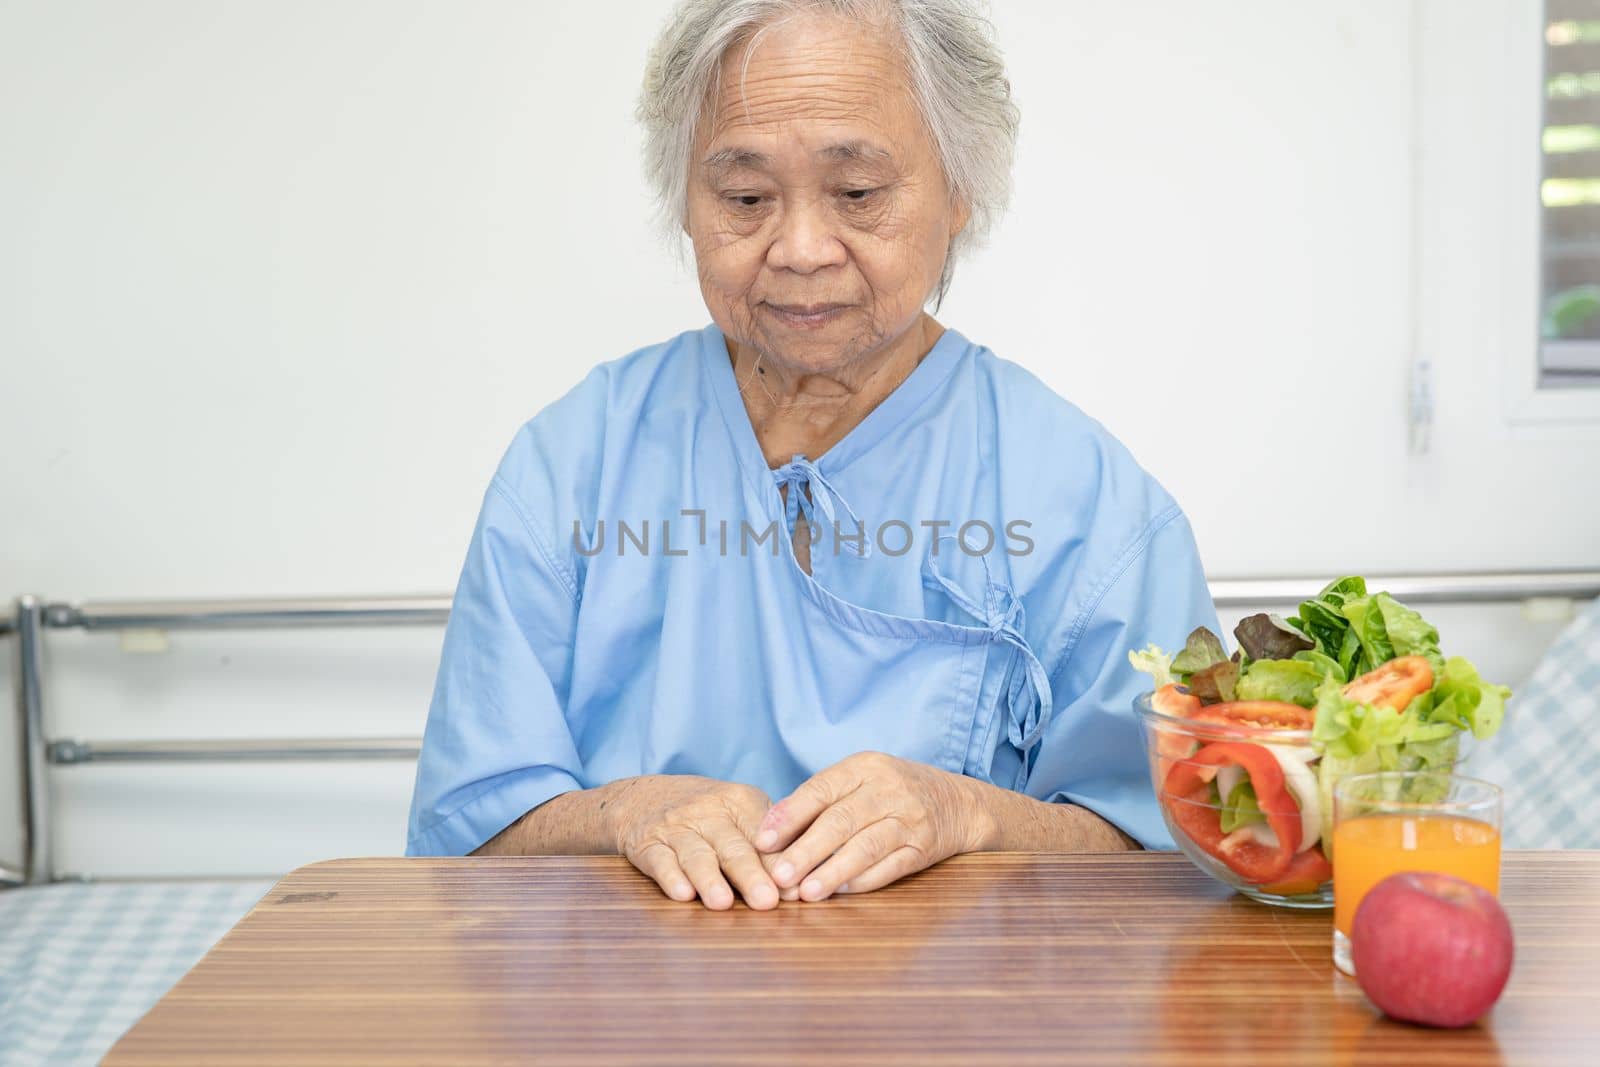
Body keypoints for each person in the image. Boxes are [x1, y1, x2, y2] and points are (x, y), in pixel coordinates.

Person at [406, 0, 1219, 910]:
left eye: (858, 193)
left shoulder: (1089, 502)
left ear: (958, 192)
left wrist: (970, 814)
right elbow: (459, 844)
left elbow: (1186, 858)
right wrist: (624, 813)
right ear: (684, 200)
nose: (798, 248)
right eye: (746, 198)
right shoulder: (570, 467)